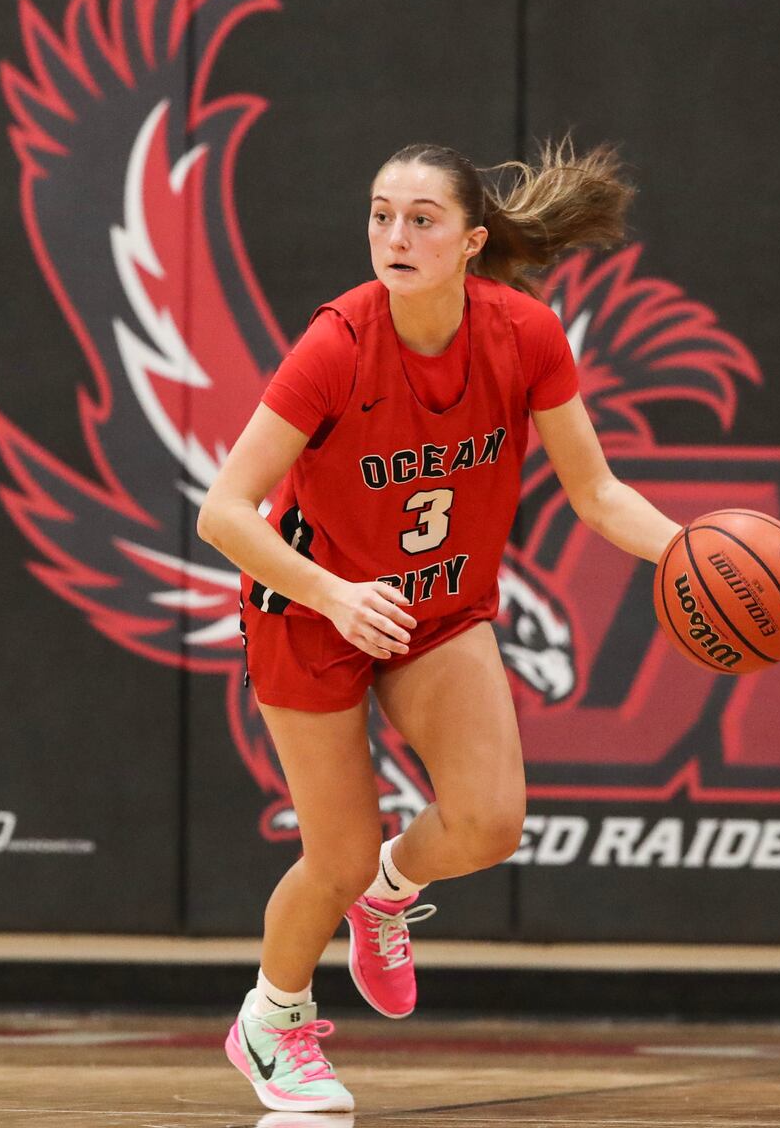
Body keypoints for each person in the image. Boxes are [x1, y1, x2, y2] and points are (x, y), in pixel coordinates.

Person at [199, 139, 683, 1113]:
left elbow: (595, 492)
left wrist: (689, 552)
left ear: (472, 241)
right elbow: (223, 511)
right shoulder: (338, 343)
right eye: (381, 214)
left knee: (491, 822)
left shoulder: (524, 334)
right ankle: (270, 1019)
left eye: (420, 219)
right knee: (329, 856)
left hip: (436, 606)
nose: (394, 235)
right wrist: (336, 592)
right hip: (311, 609)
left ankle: (391, 892)